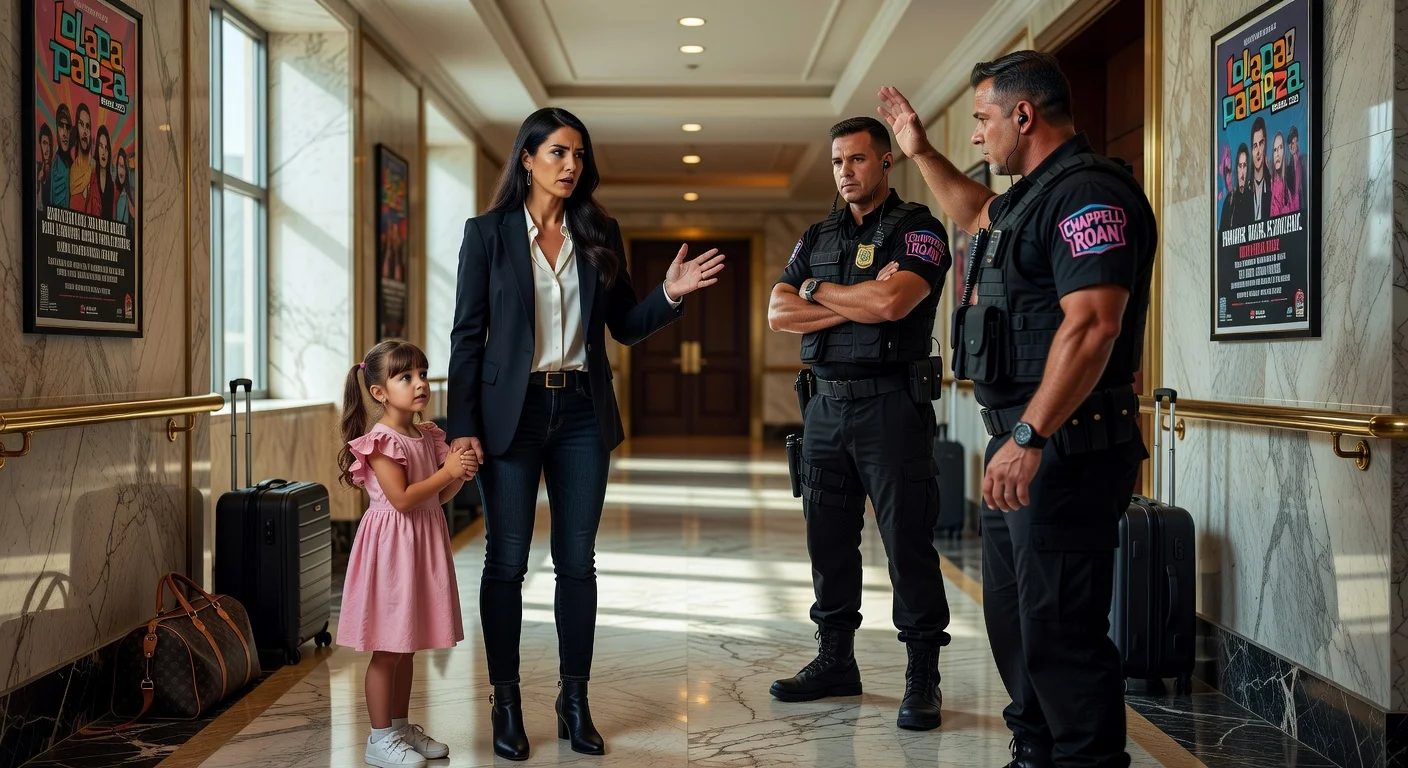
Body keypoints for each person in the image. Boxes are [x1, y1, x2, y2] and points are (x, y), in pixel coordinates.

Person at [878, 50, 1156, 768]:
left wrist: (1030, 433)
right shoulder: (1033, 195)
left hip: (1065, 448)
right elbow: (973, 213)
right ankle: (1035, 750)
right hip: (1022, 449)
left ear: (1024, 115)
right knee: (1013, 618)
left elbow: (1093, 324)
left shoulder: (1089, 195)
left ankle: (1085, 759)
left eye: (983, 119)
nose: (978, 136)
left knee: (1060, 627)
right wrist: (919, 150)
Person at [446, 106, 724, 761]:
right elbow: (465, 339)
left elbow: (625, 324)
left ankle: (575, 701)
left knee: (578, 563)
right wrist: (461, 432)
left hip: (579, 413)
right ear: (527, 158)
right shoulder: (485, 235)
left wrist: (671, 294)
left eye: (579, 155)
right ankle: (506, 701)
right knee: (506, 563)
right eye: (558, 153)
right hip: (508, 418)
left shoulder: (600, 231)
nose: (571, 165)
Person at [766, 116, 952, 731]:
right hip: (823, 408)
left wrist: (818, 293)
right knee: (827, 539)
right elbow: (777, 310)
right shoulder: (816, 236)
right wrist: (849, 297)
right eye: (838, 162)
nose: (847, 172)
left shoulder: (918, 229)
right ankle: (835, 660)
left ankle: (922, 674)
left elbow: (893, 302)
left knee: (906, 543)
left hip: (891, 407)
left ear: (885, 162)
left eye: (858, 160)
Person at [337, 339, 475, 768]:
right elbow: (402, 498)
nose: (419, 384)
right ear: (379, 392)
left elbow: (439, 494)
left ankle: (398, 725)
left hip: (422, 544)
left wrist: (460, 474)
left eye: (422, 374)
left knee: (407, 643)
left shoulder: (426, 433)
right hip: (393, 550)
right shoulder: (381, 440)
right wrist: (446, 473)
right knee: (387, 648)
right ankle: (378, 738)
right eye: (406, 377)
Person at [86, 126, 115, 219]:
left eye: (106, 148)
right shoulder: (91, 176)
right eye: (101, 147)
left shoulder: (111, 183)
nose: (103, 152)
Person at [69, 104, 94, 212]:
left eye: (87, 126)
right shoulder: (72, 169)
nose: (85, 131)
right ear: (76, 127)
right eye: (81, 124)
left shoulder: (95, 167)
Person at [1249, 116, 1271, 222]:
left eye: (1260, 144)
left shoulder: (1272, 186)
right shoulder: (1245, 191)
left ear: (1265, 145)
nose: (1258, 151)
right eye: (1254, 146)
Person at [50, 105, 71, 209]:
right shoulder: (54, 165)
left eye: (67, 127)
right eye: (61, 126)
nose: (65, 133)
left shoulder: (72, 163)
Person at [37, 125, 53, 213]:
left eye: (49, 144)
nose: (47, 149)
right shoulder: (37, 168)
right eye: (44, 143)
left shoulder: (54, 171)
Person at [115, 148, 133, 225]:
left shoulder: (127, 194)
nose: (121, 171)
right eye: (120, 166)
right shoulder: (114, 189)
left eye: (124, 167)